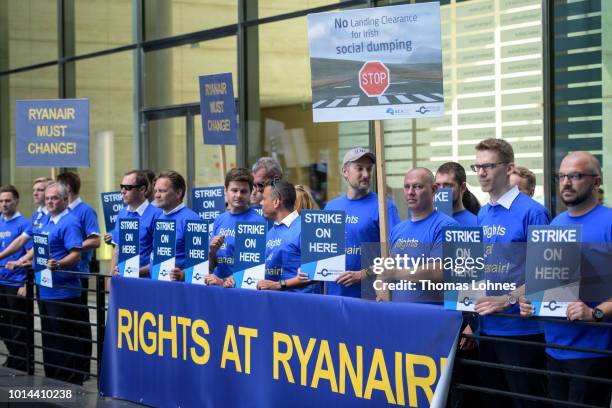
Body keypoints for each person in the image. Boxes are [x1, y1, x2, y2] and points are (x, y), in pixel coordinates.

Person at [519, 152, 611, 407]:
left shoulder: (609, 222)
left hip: (594, 352)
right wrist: (531, 301)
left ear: (596, 182)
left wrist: (597, 313)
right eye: (562, 177)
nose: (566, 183)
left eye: (575, 176)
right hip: (554, 348)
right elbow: (548, 281)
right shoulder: (556, 223)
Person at [471, 138, 551, 408]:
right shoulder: (482, 213)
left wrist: (506, 300)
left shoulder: (533, 212)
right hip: (486, 330)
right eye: (477, 166)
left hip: (522, 332)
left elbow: (549, 274)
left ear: (508, 168)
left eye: (488, 166)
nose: (481, 173)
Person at [8, 182, 87, 385]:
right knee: (50, 340)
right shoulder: (47, 221)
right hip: (45, 289)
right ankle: (54, 381)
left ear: (65, 200)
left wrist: (59, 263)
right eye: (48, 198)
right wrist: (22, 260)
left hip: (63, 293)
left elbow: (76, 255)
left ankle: (69, 384)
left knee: (64, 341)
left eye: (55, 198)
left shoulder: (70, 222)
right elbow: (38, 246)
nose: (50, 201)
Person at [323, 147, 401, 298]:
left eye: (369, 169)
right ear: (345, 172)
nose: (366, 174)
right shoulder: (331, 207)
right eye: (359, 168)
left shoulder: (384, 206)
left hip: (369, 297)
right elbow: (322, 255)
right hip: (334, 297)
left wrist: (363, 274)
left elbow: (396, 252)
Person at [386, 168, 458, 303]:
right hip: (397, 315)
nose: (410, 192)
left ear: (434, 189)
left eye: (417, 187)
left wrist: (396, 273)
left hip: (433, 318)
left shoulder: (447, 226)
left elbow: (440, 271)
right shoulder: (397, 230)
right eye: (407, 187)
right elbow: (388, 267)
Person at [205, 168, 265, 287]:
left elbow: (254, 270)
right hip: (216, 287)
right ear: (225, 191)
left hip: (241, 290)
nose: (238, 195)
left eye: (243, 191)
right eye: (234, 190)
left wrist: (223, 281)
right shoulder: (219, 219)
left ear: (250, 192)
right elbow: (211, 265)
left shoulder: (257, 221)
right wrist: (212, 251)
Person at [256, 180, 314, 292]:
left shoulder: (307, 228)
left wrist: (278, 285)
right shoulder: (270, 232)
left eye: (264, 199)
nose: (261, 203)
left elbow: (315, 275)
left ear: (276, 202)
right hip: (274, 304)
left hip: (303, 305)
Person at [0, 186, 30, 371]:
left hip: (15, 281)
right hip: (0, 281)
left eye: (8, 200)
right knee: (3, 324)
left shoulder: (25, 224)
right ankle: (14, 355)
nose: (4, 204)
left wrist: (25, 283)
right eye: (1, 201)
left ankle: (20, 362)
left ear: (16, 201)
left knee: (17, 323)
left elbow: (29, 255)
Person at [110, 170, 161, 277]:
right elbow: (117, 248)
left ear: (142, 189)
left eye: (128, 187)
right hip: (122, 281)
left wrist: (135, 272)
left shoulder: (157, 214)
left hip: (146, 283)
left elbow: (160, 256)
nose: (123, 191)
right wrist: (111, 277)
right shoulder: (122, 213)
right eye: (122, 187)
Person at [153, 171, 200, 281]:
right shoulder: (159, 217)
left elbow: (200, 262)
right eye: (155, 191)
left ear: (178, 193)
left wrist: (183, 274)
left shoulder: (191, 219)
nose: (156, 195)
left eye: (162, 191)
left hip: (180, 289)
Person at [0, 177, 52, 260]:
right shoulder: (37, 215)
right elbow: (23, 239)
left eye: (40, 190)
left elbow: (38, 245)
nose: (35, 193)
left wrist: (21, 260)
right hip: (40, 267)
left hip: (53, 267)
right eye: (34, 190)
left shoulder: (54, 215)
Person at [435, 162, 479, 226]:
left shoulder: (477, 223)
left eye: (448, 186)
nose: (442, 190)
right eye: (437, 185)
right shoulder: (428, 220)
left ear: (463, 187)